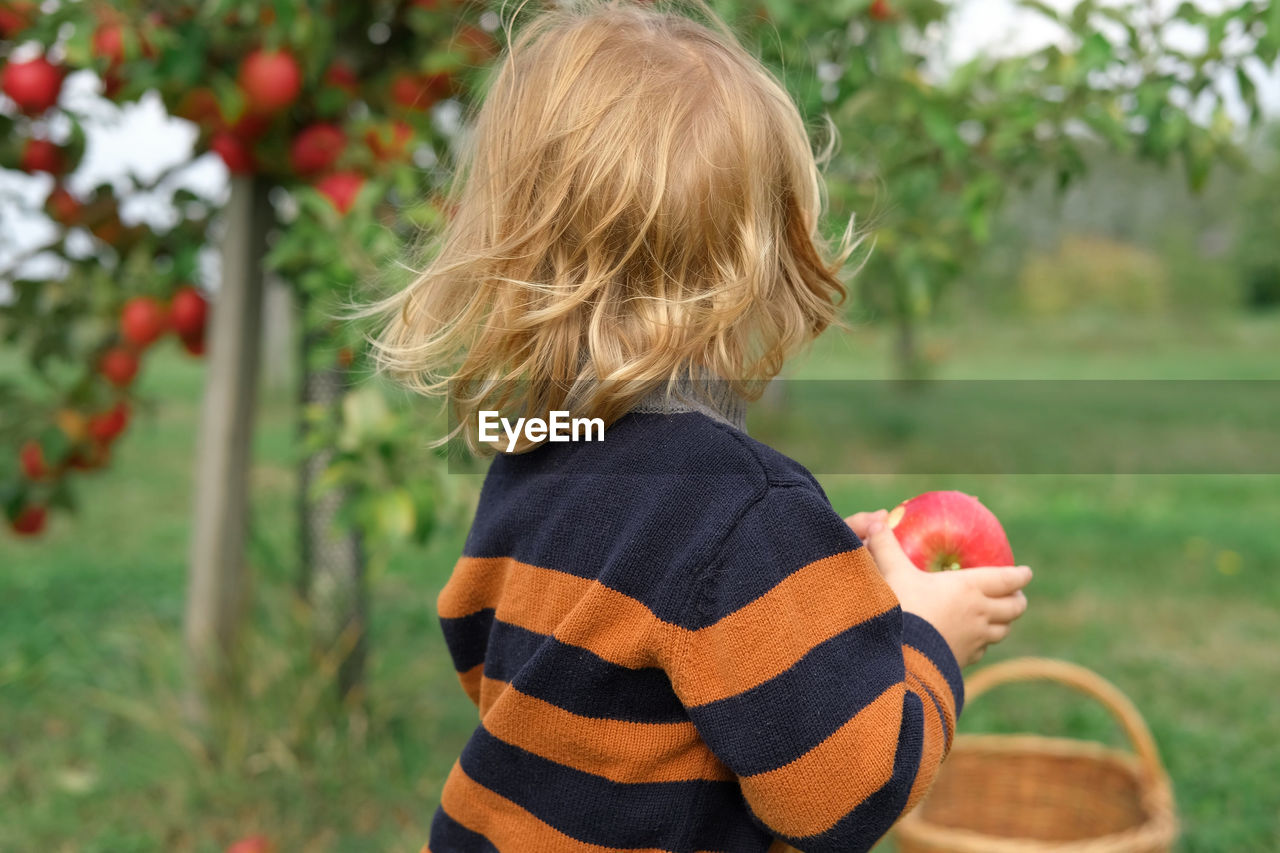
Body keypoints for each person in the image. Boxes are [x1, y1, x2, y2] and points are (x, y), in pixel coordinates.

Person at [370, 2, 1032, 850]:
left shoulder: (534, 446)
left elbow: (494, 651)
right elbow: (846, 789)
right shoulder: (743, 511)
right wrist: (925, 636)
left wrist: (813, 590)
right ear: (758, 260)